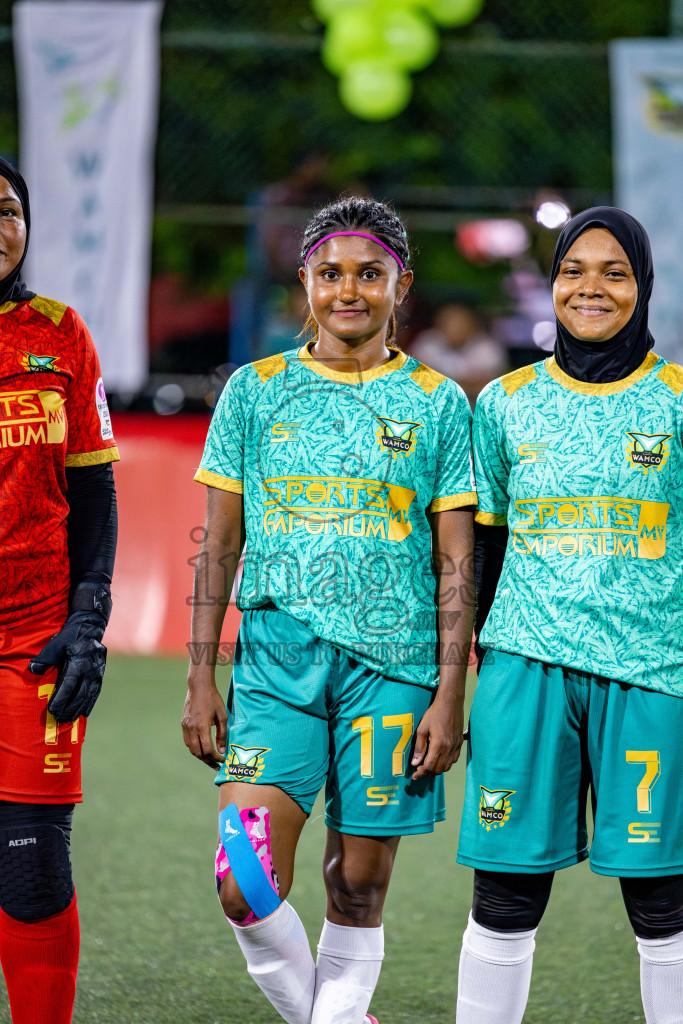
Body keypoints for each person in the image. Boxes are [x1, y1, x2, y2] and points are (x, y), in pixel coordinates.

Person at [182, 196, 477, 1024]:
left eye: (369, 274)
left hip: (393, 670)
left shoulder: (437, 402)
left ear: (400, 284)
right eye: (330, 273)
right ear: (304, 282)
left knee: (358, 886)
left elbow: (457, 560)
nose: (349, 289)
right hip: (274, 662)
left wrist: (449, 694)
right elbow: (219, 544)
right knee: (241, 878)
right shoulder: (254, 390)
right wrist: (200, 676)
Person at [455, 207, 683, 1024]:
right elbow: (480, 552)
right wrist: (459, 682)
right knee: (506, 893)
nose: (589, 287)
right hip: (524, 668)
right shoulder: (505, 403)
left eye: (613, 272)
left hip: (653, 674)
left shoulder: (678, 400)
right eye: (572, 270)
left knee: (663, 902)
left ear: (643, 286)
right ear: (550, 284)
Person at [0, 158, 119, 1024]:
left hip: (34, 634)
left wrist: (89, 614)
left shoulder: (60, 332)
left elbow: (95, 492)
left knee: (32, 862)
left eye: (8, 210)